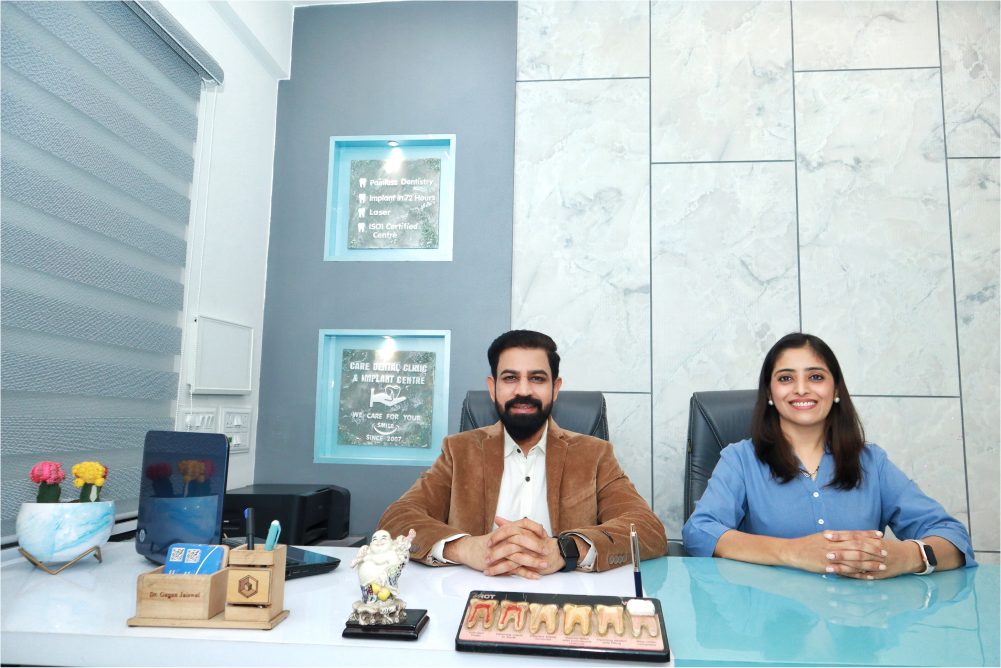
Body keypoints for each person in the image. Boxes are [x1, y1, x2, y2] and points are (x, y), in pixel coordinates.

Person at [683, 332, 974, 578]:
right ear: (769, 394)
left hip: (861, 623)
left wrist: (909, 555)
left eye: (816, 376)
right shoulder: (740, 460)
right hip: (771, 624)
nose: (801, 389)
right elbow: (699, 532)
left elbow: (953, 538)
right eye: (785, 378)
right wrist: (792, 552)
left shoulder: (872, 462)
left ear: (835, 389)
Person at [378, 330, 667, 578]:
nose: (524, 390)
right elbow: (396, 520)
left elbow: (647, 529)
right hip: (470, 599)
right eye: (510, 378)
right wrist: (466, 548)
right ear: (493, 388)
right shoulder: (459, 451)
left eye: (537, 378)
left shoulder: (594, 454)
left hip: (566, 607)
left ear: (555, 388)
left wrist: (566, 549)